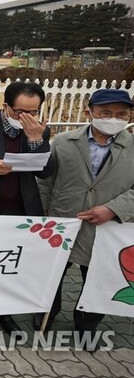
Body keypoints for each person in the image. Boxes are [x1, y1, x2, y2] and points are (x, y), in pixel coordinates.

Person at [37, 89, 134, 349]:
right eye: (105, 113)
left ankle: (86, 324)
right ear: (89, 112)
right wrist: (45, 215)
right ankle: (45, 314)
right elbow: (45, 181)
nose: (113, 119)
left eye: (121, 114)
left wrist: (113, 208)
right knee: (52, 274)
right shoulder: (63, 142)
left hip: (106, 229)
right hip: (63, 224)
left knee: (99, 277)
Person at [0, 81, 54, 334]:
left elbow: (47, 171)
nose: (26, 118)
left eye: (33, 112)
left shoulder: (38, 130)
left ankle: (3, 310)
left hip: (21, 209)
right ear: (6, 106)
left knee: (8, 261)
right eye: (20, 112)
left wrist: (36, 139)